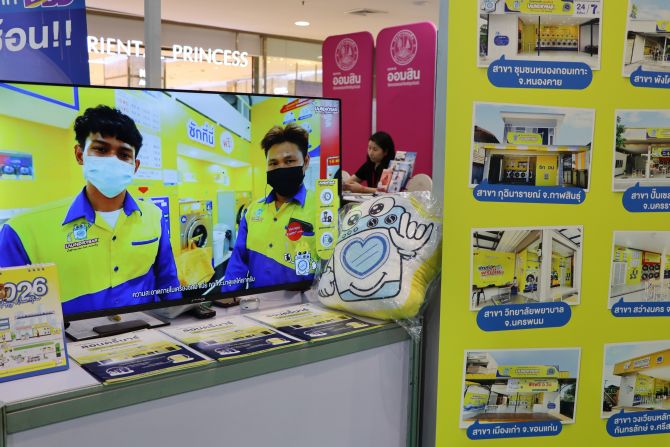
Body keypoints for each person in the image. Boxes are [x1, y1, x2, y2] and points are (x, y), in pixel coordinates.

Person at [0, 105, 181, 314]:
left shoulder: (153, 216)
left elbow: (168, 281)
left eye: (124, 154)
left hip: (148, 329)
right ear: (80, 154)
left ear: (135, 166)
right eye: (101, 149)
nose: (113, 160)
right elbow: (11, 314)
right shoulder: (22, 231)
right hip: (72, 335)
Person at [222, 124, 319, 293]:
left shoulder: (322, 209)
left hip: (304, 304)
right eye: (273, 163)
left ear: (305, 161)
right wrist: (229, 295)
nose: (281, 168)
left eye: (289, 161)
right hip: (256, 304)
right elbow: (238, 261)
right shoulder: (252, 211)